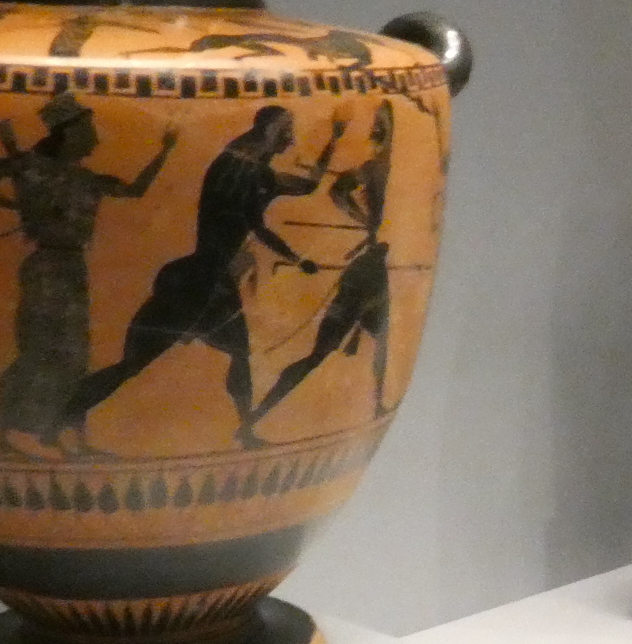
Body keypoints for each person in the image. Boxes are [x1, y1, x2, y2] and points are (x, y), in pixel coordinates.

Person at [63, 103, 329, 450]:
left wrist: (334, 140)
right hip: (203, 282)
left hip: (202, 277)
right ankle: (65, 414)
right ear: (270, 132)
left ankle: (244, 429)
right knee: (138, 364)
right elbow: (260, 226)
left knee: (227, 354)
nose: (292, 140)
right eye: (287, 131)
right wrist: (298, 259)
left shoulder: (234, 164)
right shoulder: (249, 172)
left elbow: (304, 187)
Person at [0, 91, 173, 455]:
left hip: (72, 266)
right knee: (39, 350)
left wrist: (165, 151)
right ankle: (4, 435)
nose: (95, 139)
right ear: (70, 132)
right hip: (45, 266)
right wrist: (14, 204)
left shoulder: (84, 177)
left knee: (75, 353)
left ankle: (71, 437)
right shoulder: (29, 166)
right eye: (89, 129)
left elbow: (135, 190)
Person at [258, 102, 395, 425]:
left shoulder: (382, 168)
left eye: (382, 128)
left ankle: (378, 405)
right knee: (320, 354)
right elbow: (339, 189)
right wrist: (367, 223)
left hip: (373, 266)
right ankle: (257, 414)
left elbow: (340, 190)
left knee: (381, 345)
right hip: (365, 272)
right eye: (378, 127)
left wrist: (370, 227)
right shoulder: (374, 168)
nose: (377, 133)